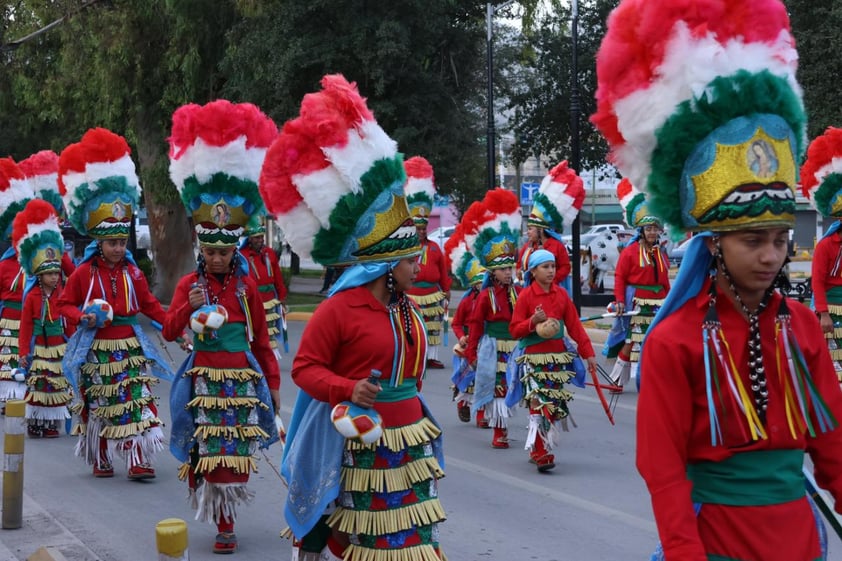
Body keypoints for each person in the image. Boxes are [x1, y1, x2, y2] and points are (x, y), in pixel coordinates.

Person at [593, 1, 842, 559]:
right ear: (714, 244)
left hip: (800, 539)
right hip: (716, 542)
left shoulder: (801, 327)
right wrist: (684, 551)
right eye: (753, 241)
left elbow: (832, 444)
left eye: (779, 240)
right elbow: (661, 467)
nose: (771, 256)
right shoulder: (674, 339)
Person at [263, 75, 447, 561]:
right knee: (365, 544)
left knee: (408, 543)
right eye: (411, 261)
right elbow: (303, 370)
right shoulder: (339, 309)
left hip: (407, 444)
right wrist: (348, 390)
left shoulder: (405, 309)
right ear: (387, 265)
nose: (419, 267)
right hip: (357, 446)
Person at [163, 99, 280, 554]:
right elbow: (172, 331)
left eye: (223, 253)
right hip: (202, 379)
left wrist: (271, 387)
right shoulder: (190, 284)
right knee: (207, 454)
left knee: (234, 457)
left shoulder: (248, 289)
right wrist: (186, 308)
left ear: (235, 250)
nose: (216, 259)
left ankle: (226, 514)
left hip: (240, 378)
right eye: (210, 251)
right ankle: (223, 523)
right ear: (201, 248)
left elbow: (264, 343)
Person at [57, 128, 174, 480]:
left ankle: (138, 458)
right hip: (97, 349)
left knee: (137, 402)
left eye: (122, 242)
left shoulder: (133, 274)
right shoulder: (82, 274)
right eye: (111, 243)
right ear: (99, 242)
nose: (118, 248)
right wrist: (83, 317)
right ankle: (101, 455)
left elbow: (150, 305)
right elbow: (65, 306)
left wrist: (173, 326)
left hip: (129, 347)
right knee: (100, 405)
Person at [509, 249, 597, 471]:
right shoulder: (526, 296)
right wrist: (532, 322)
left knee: (554, 405)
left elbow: (575, 327)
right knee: (538, 403)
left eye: (553, 266)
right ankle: (540, 451)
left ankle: (540, 446)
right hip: (532, 358)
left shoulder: (561, 295)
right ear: (533, 271)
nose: (550, 271)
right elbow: (514, 330)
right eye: (545, 267)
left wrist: (589, 354)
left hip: (556, 359)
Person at [464, 188, 523, 449]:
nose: (508, 273)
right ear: (492, 272)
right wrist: (471, 352)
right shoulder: (485, 296)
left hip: (516, 346)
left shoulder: (520, 293)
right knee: (498, 387)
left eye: (510, 268)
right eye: (502, 269)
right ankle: (500, 431)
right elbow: (476, 324)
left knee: (517, 386)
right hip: (494, 347)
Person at [13, 200, 73, 438]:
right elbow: (26, 326)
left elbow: (69, 317)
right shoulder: (32, 298)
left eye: (56, 273)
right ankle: (35, 422)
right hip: (38, 347)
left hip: (58, 345)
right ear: (38, 275)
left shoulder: (62, 294)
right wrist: (23, 353)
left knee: (56, 384)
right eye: (49, 273)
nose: (54, 277)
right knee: (39, 385)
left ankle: (51, 423)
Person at [604, 179, 670, 391]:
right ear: (641, 231)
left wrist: (671, 300)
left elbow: (664, 280)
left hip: (659, 301)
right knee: (632, 340)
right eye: (648, 229)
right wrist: (620, 301)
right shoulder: (630, 252)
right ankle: (617, 380)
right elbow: (620, 277)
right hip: (638, 301)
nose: (652, 232)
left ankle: (655, 380)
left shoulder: (660, 253)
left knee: (657, 341)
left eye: (655, 229)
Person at [801, 126, 842, 381]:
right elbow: (817, 281)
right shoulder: (827, 246)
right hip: (830, 308)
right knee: (832, 364)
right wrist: (824, 313)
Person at [404, 156, 451, 369]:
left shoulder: (434, 247)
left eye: (424, 228)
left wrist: (446, 290)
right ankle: (414, 357)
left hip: (432, 293)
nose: (422, 231)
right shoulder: (405, 248)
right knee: (412, 325)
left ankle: (430, 357)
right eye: (418, 228)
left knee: (433, 327)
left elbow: (443, 270)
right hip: (411, 292)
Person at [443, 208, 486, 424]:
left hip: (484, 342)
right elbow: (457, 323)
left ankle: (482, 416)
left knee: (485, 380)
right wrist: (461, 336)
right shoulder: (467, 301)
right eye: (478, 281)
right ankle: (462, 403)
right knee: (467, 379)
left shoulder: (491, 299)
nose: (482, 284)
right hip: (467, 342)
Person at [0, 158, 35, 411]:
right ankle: (6, 399)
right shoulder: (4, 265)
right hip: (8, 321)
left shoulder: (38, 261)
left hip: (34, 321)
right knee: (7, 360)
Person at [516, 161, 580, 292]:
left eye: (530, 229)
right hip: (530, 290)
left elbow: (565, 267)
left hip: (552, 289)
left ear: (540, 230)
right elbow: (519, 264)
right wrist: (519, 271)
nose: (527, 233)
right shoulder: (527, 247)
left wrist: (551, 279)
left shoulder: (556, 246)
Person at [239, 222, 288, 360]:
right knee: (254, 328)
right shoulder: (242, 256)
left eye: (261, 237)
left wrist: (282, 296)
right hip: (253, 299)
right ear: (249, 238)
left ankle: (270, 355)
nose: (260, 240)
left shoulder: (270, 253)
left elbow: (277, 276)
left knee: (270, 328)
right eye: (256, 238)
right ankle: (252, 356)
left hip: (271, 298)